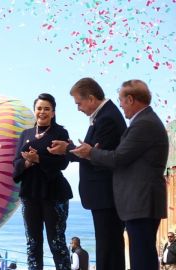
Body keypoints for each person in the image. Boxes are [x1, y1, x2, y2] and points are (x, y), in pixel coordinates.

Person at [71, 79, 168, 270]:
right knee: (142, 255)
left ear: (131, 99)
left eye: (122, 100)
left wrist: (90, 152)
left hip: (141, 200)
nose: (120, 105)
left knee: (142, 258)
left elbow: (118, 158)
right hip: (140, 201)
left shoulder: (144, 124)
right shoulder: (144, 121)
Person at [48, 77, 126, 270]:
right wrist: (72, 148)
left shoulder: (107, 118)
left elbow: (97, 157)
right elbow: (91, 152)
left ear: (91, 98)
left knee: (108, 248)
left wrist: (67, 149)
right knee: (108, 246)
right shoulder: (103, 116)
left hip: (106, 194)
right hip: (105, 195)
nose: (78, 108)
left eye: (79, 103)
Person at [13, 93, 72, 270]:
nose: (42, 112)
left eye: (47, 109)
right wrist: (27, 162)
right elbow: (16, 164)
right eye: (39, 108)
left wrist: (39, 159)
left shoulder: (60, 132)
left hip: (54, 195)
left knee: (57, 243)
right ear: (34, 111)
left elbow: (63, 162)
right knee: (32, 243)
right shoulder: (26, 134)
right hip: (30, 195)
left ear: (53, 112)